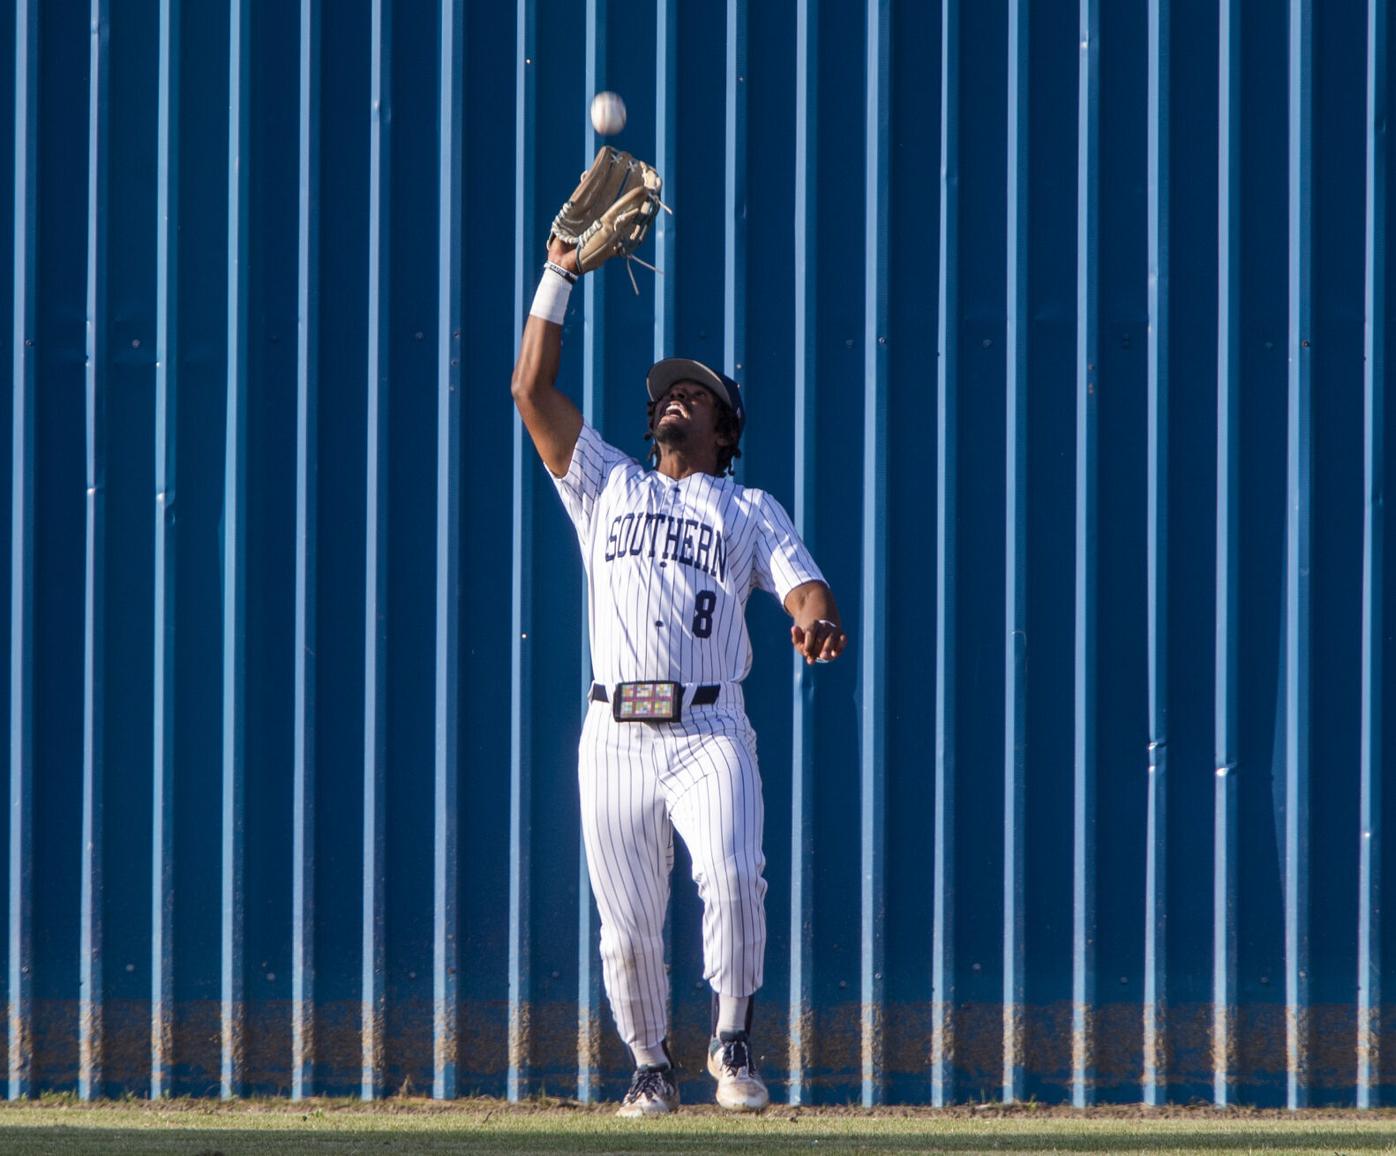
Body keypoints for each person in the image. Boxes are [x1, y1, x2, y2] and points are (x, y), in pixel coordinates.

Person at [512, 231, 847, 1117]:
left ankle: (731, 1041)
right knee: (625, 927)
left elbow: (799, 582)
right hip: (613, 730)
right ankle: (650, 1065)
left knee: (735, 875)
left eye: (694, 396)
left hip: (709, 728)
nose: (675, 400)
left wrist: (814, 621)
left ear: (724, 429)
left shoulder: (743, 506)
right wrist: (558, 272)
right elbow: (530, 391)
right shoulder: (606, 486)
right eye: (667, 392)